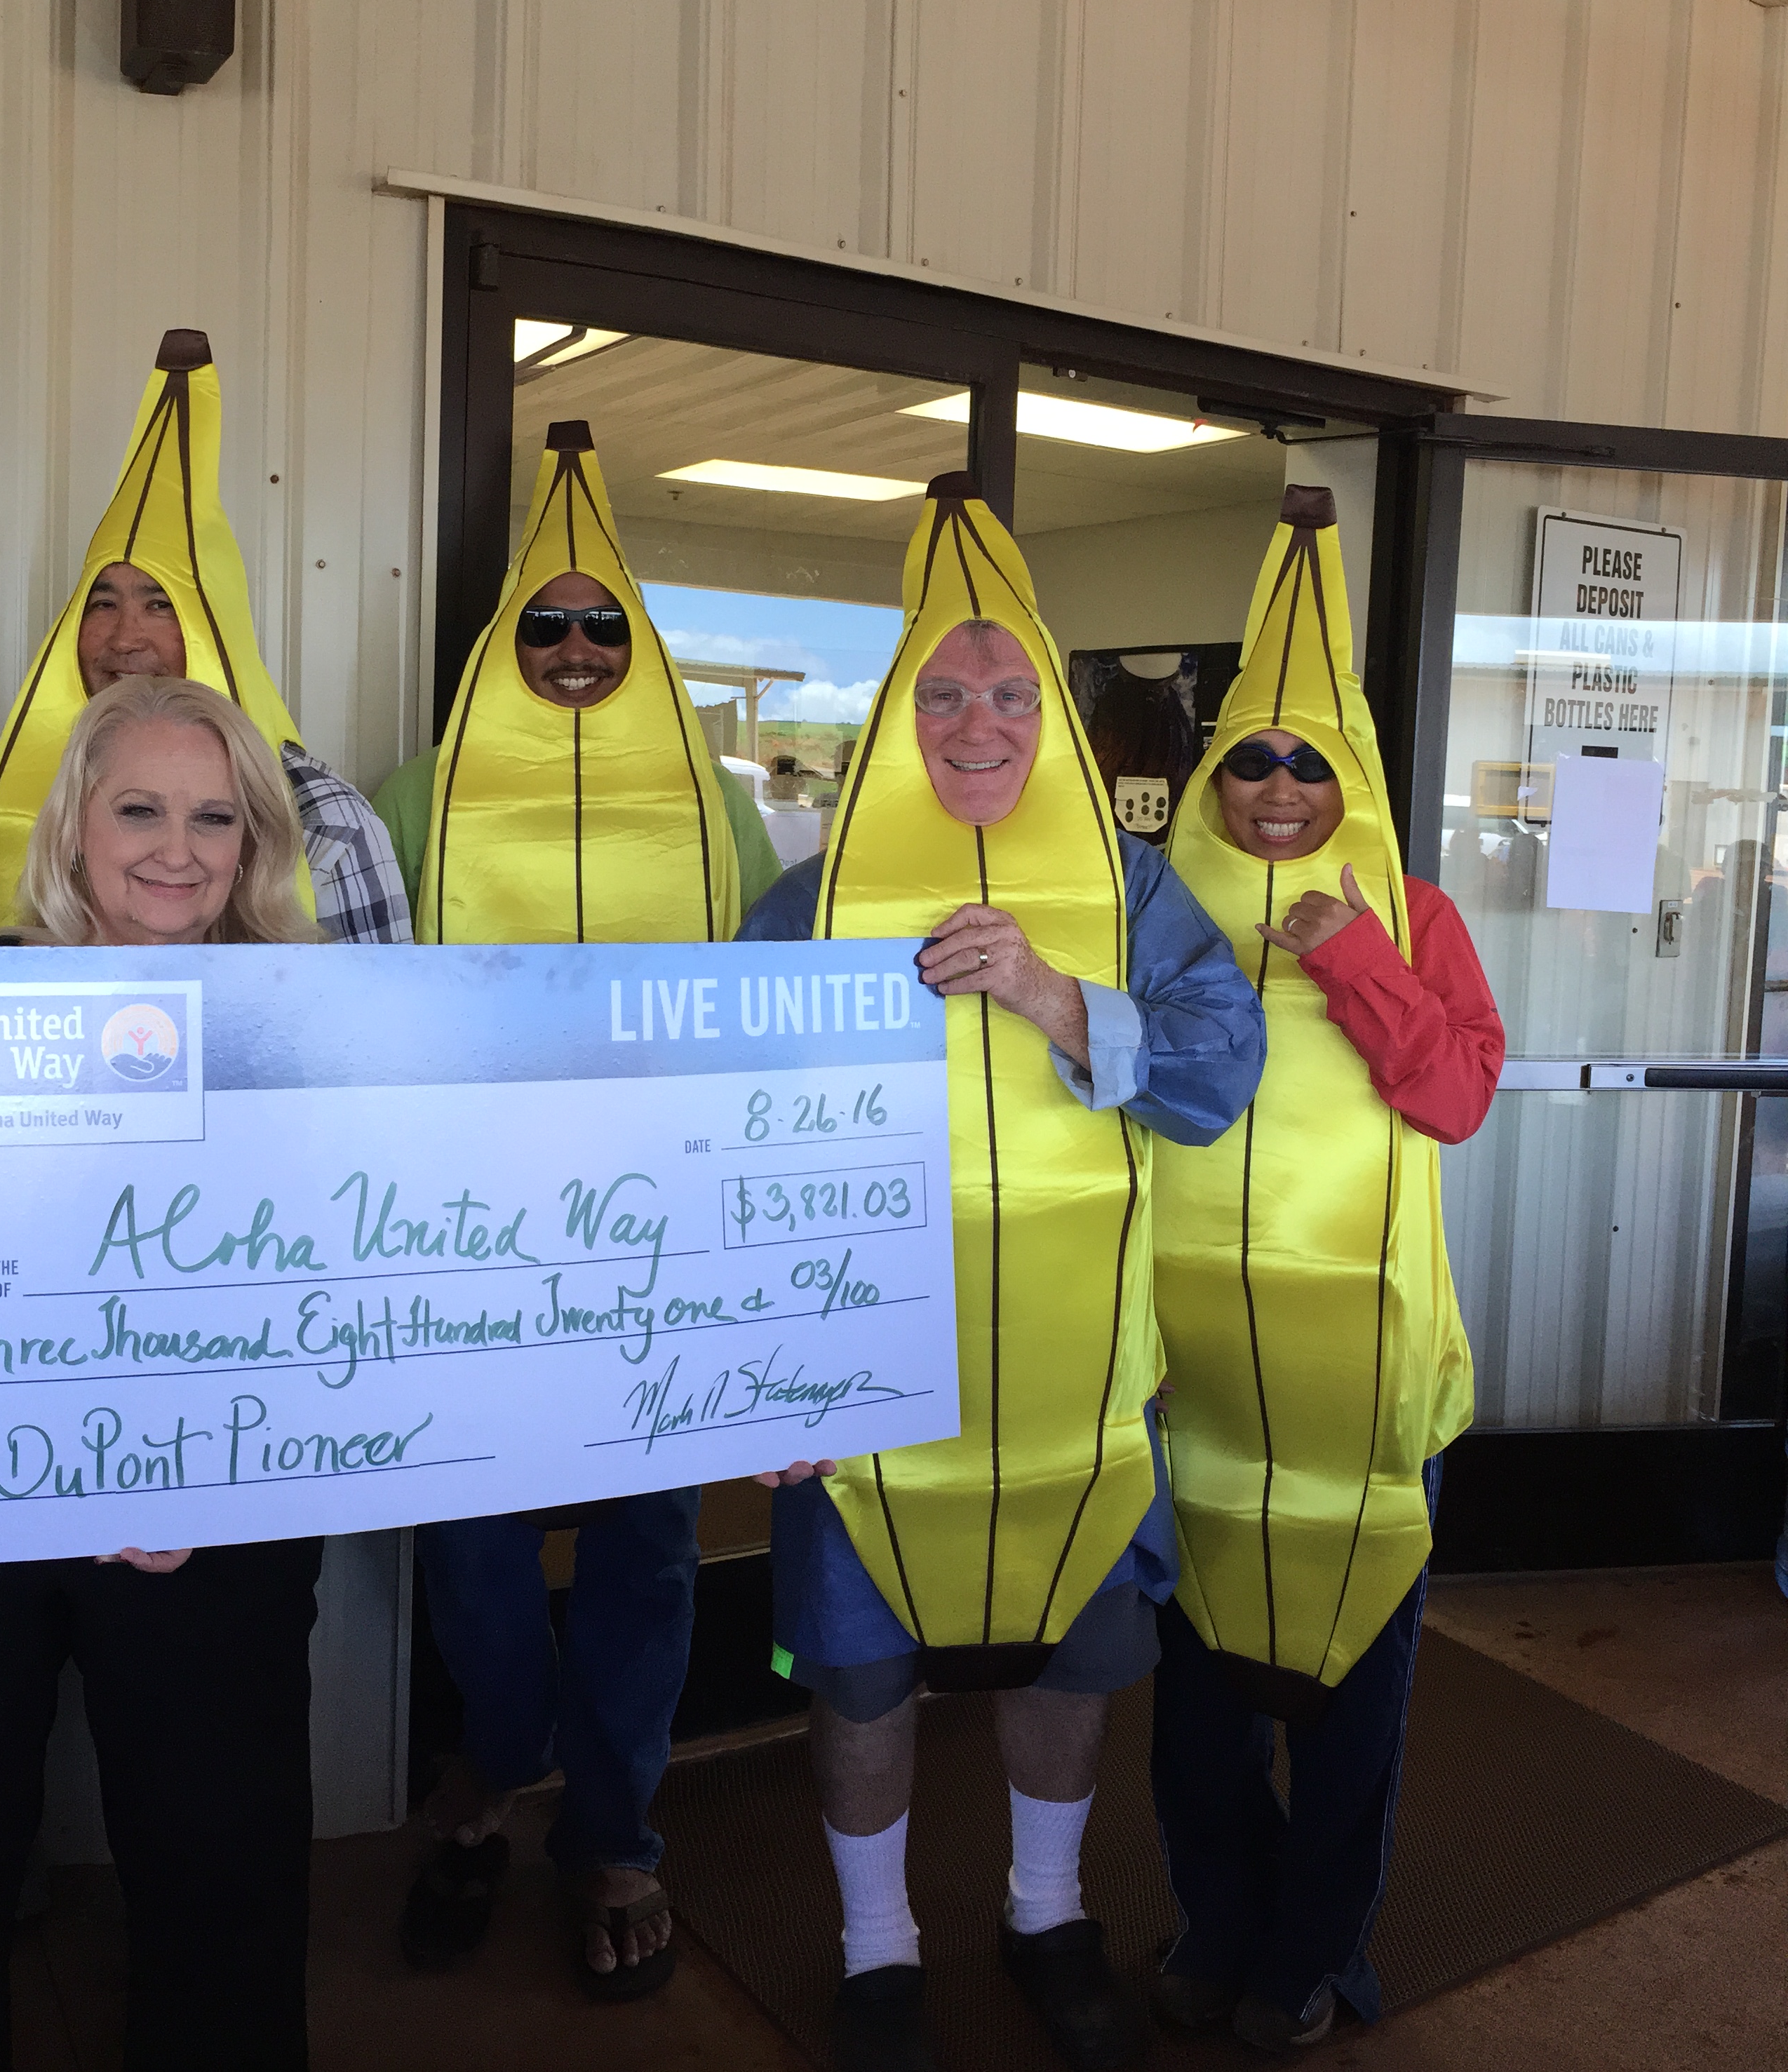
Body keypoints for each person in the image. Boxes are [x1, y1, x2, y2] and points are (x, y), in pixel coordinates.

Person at [739, 475, 1261, 2072]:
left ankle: (1045, 1915)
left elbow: (1216, 1074)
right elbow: (717, 1153)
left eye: (1010, 695)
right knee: (856, 1675)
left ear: (1053, 719)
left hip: (1071, 1384)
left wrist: (1052, 995)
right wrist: (753, 1371)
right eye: (943, 694)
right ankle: (874, 1946)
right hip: (860, 1397)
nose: (977, 723)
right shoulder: (803, 904)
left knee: (1069, 1654)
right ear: (896, 717)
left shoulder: (1129, 890)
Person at [0, 673, 328, 2072]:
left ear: (251, 839)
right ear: (75, 829)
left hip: (213, 1504)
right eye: (139, 810)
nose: (177, 848)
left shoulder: (307, 1023)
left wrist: (205, 1475)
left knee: (221, 1866)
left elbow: (349, 1279)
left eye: (213, 817)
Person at [363, 422, 778, 1996]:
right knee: (470, 1551)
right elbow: (360, 1016)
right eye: (546, 623)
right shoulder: (418, 795)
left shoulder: (720, 806)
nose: (577, 646)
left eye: (605, 622)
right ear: (503, 641)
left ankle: (612, 1834)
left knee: (645, 1559)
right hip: (469, 1254)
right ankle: (492, 1770)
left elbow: (774, 1008)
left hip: (661, 1257)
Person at [1146, 488, 1500, 2054]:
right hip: (1195, 1385)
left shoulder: (1409, 913)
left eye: (1309, 763)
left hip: (1367, 1386)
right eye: (1250, 759)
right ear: (1209, 775)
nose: (1279, 787)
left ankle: (1309, 1954)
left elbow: (1456, 1096)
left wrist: (1346, 958)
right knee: (1198, 1709)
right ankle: (1219, 1922)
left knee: (1350, 1699)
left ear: (1347, 781)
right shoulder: (1151, 912)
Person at [0, 329, 407, 947]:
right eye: (103, 604)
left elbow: (375, 1004)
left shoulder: (327, 819)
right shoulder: (35, 785)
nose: (126, 638)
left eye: (161, 605)